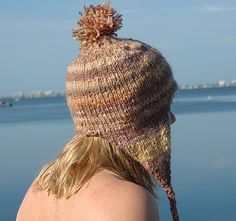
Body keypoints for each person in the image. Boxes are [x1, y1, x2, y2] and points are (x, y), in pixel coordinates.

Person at [16, 2, 180, 221]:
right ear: (134, 119)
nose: (172, 119)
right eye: (162, 108)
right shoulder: (127, 199)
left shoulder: (41, 188)